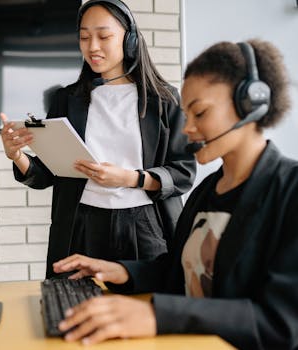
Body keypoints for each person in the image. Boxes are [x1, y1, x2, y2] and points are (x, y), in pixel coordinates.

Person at [51, 38, 298, 350]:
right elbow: (176, 269)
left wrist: (158, 315)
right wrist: (120, 270)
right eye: (186, 114)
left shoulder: (290, 193)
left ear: (250, 104)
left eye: (200, 113)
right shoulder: (206, 193)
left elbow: (282, 322)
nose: (187, 129)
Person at [0, 0, 196, 278]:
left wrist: (130, 178)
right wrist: (17, 155)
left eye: (104, 36)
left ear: (129, 40)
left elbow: (183, 172)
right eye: (84, 37)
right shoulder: (66, 99)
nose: (92, 47)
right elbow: (46, 175)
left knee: (145, 310)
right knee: (73, 307)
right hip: (81, 225)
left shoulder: (164, 100)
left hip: (144, 226)